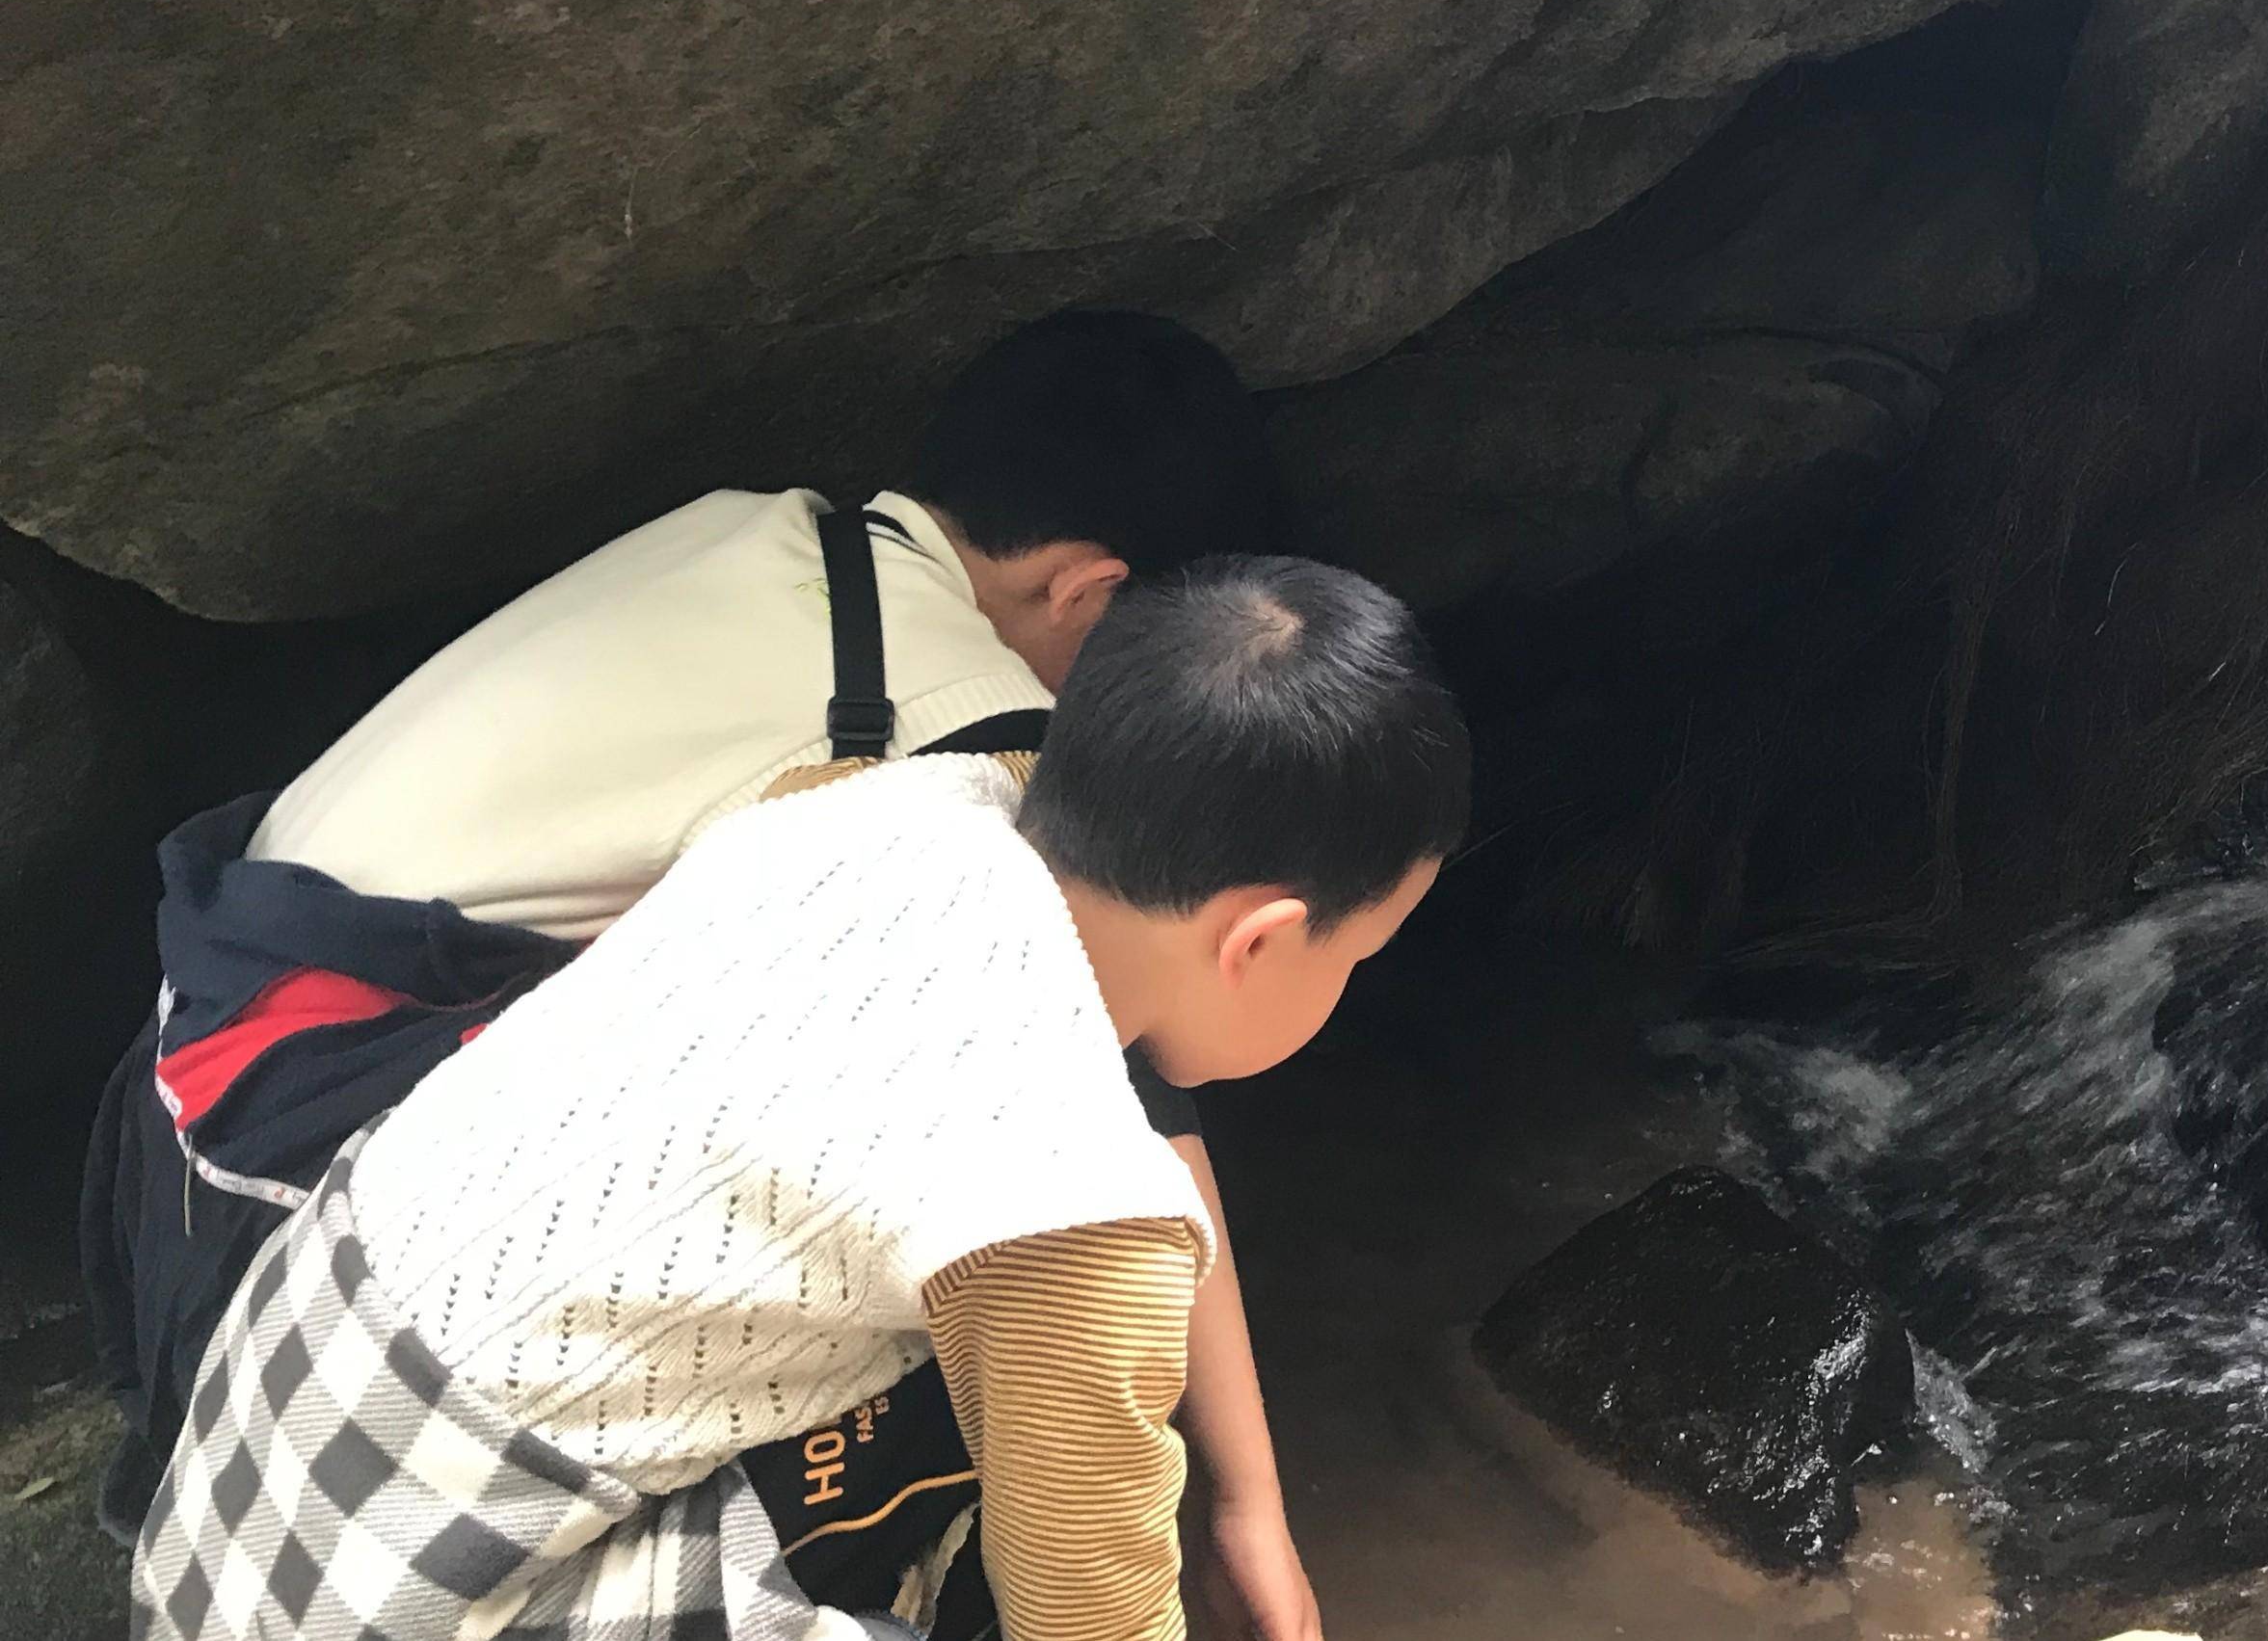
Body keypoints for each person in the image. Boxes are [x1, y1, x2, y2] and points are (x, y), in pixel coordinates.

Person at [83, 311, 1336, 1640]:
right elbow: (1101, 1123)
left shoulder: (759, 527)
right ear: (1086, 592)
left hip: (186, 1091)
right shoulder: (977, 737)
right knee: (973, 1298)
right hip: (305, 1136)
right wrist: (1243, 1505)